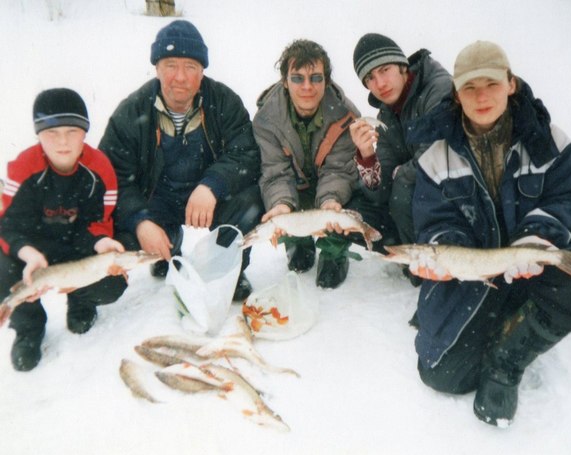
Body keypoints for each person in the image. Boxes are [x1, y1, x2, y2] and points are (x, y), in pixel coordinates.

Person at [406, 41, 571, 426]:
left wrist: (538, 237)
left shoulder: (549, 140)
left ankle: (506, 359)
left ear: (510, 84)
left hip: (532, 264)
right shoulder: (435, 157)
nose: (481, 97)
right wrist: (442, 252)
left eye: (491, 84)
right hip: (475, 280)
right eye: (469, 88)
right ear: (456, 94)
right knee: (443, 375)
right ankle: (503, 318)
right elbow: (435, 222)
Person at [99, 20, 262, 301]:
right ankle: (164, 253)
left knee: (251, 201)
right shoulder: (131, 112)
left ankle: (229, 269)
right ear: (157, 68)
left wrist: (213, 184)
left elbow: (245, 152)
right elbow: (112, 178)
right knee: (117, 228)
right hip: (156, 206)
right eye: (171, 65)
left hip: (208, 207)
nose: (181, 77)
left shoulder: (224, 102)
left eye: (190, 67)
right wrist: (141, 221)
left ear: (202, 72)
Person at [0, 88, 128, 371]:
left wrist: (101, 243)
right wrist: (30, 254)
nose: (62, 141)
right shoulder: (23, 167)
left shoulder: (100, 170)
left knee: (111, 282)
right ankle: (29, 327)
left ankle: (80, 301)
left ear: (85, 133)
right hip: (35, 248)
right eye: (52, 132)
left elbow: (98, 222)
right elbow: (8, 225)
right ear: (38, 135)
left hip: (77, 245)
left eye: (72, 131)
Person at [254, 39, 372, 289]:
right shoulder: (266, 119)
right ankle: (299, 243)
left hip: (329, 187)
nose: (307, 87)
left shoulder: (346, 115)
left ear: (326, 81)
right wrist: (281, 204)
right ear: (285, 81)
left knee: (349, 197)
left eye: (316, 78)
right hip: (293, 187)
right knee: (277, 202)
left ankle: (333, 253)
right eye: (297, 78)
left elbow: (339, 169)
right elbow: (275, 172)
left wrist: (331, 201)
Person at [349, 33, 453, 285]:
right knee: (355, 210)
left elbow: (438, 155)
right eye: (370, 78)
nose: (380, 83)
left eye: (384, 70)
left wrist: (399, 174)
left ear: (402, 66)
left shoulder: (438, 88)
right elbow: (379, 189)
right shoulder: (386, 113)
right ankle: (405, 252)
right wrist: (367, 156)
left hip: (456, 195)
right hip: (415, 201)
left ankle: (433, 271)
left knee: (404, 188)